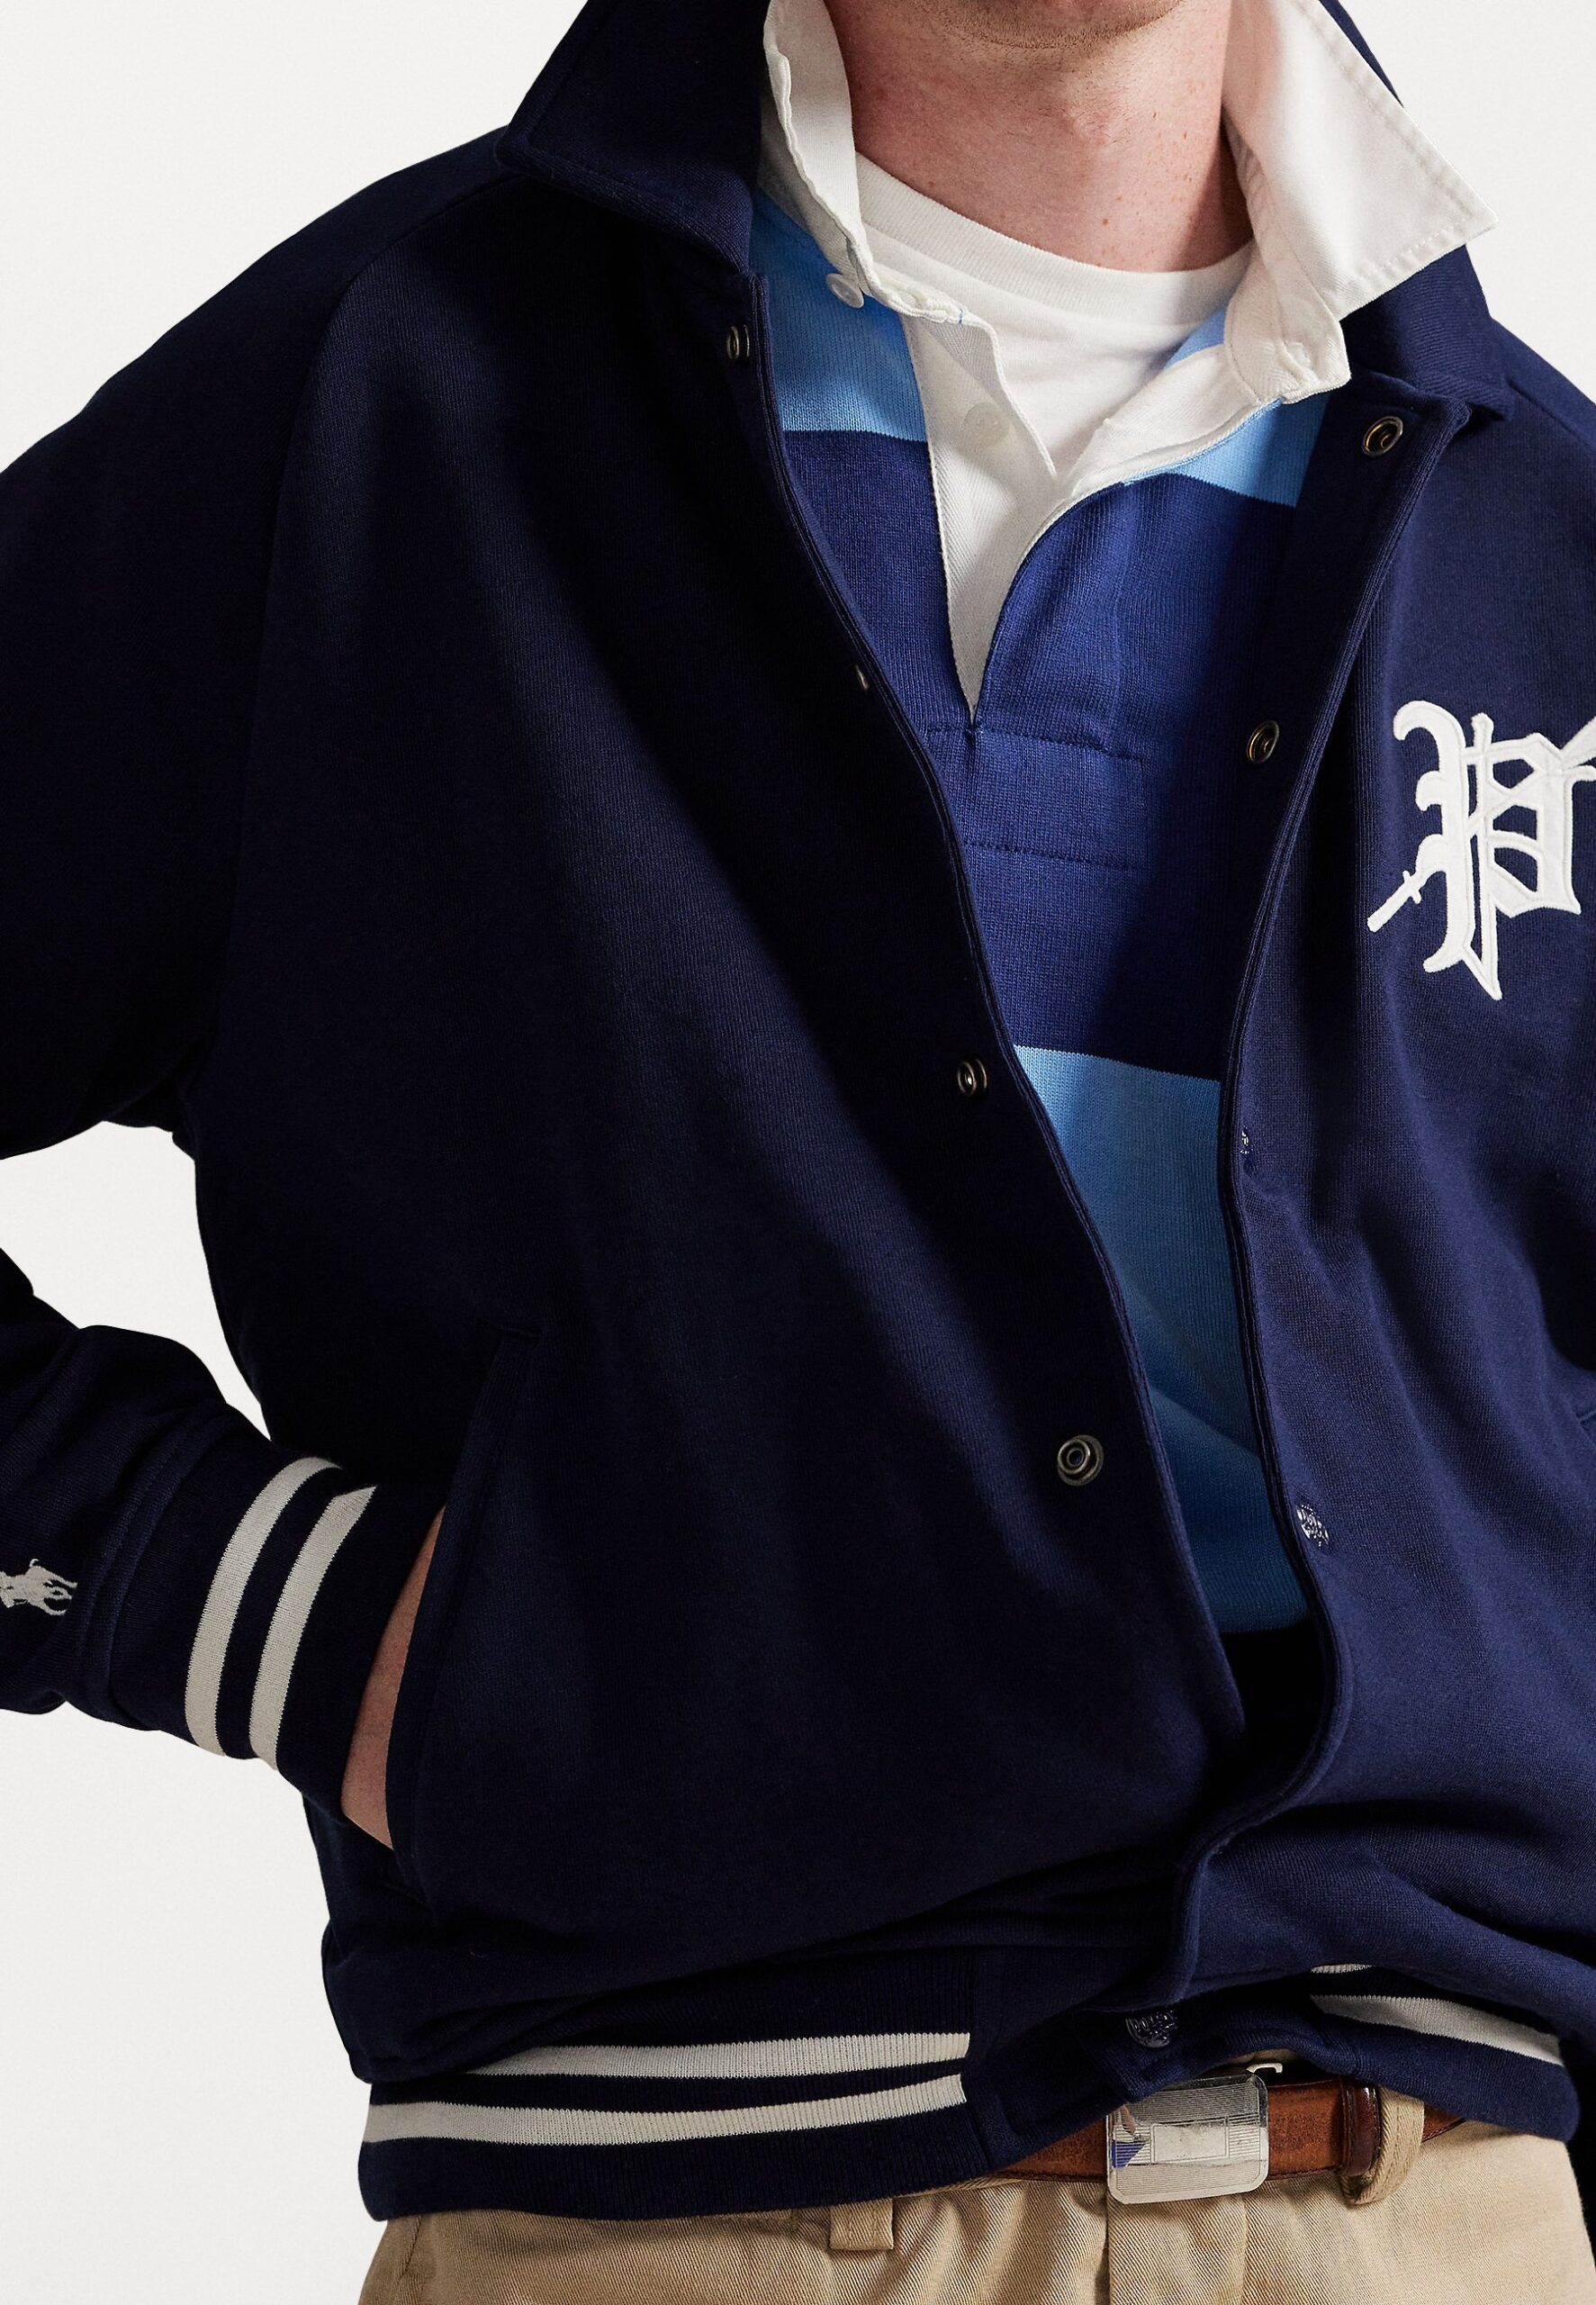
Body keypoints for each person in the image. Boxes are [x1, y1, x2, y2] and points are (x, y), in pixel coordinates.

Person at [6, 0, 1596, 2293]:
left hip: (1447, 2203)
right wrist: (269, 1608)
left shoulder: (1535, 526)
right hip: (676, 2203)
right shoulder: (380, 402)